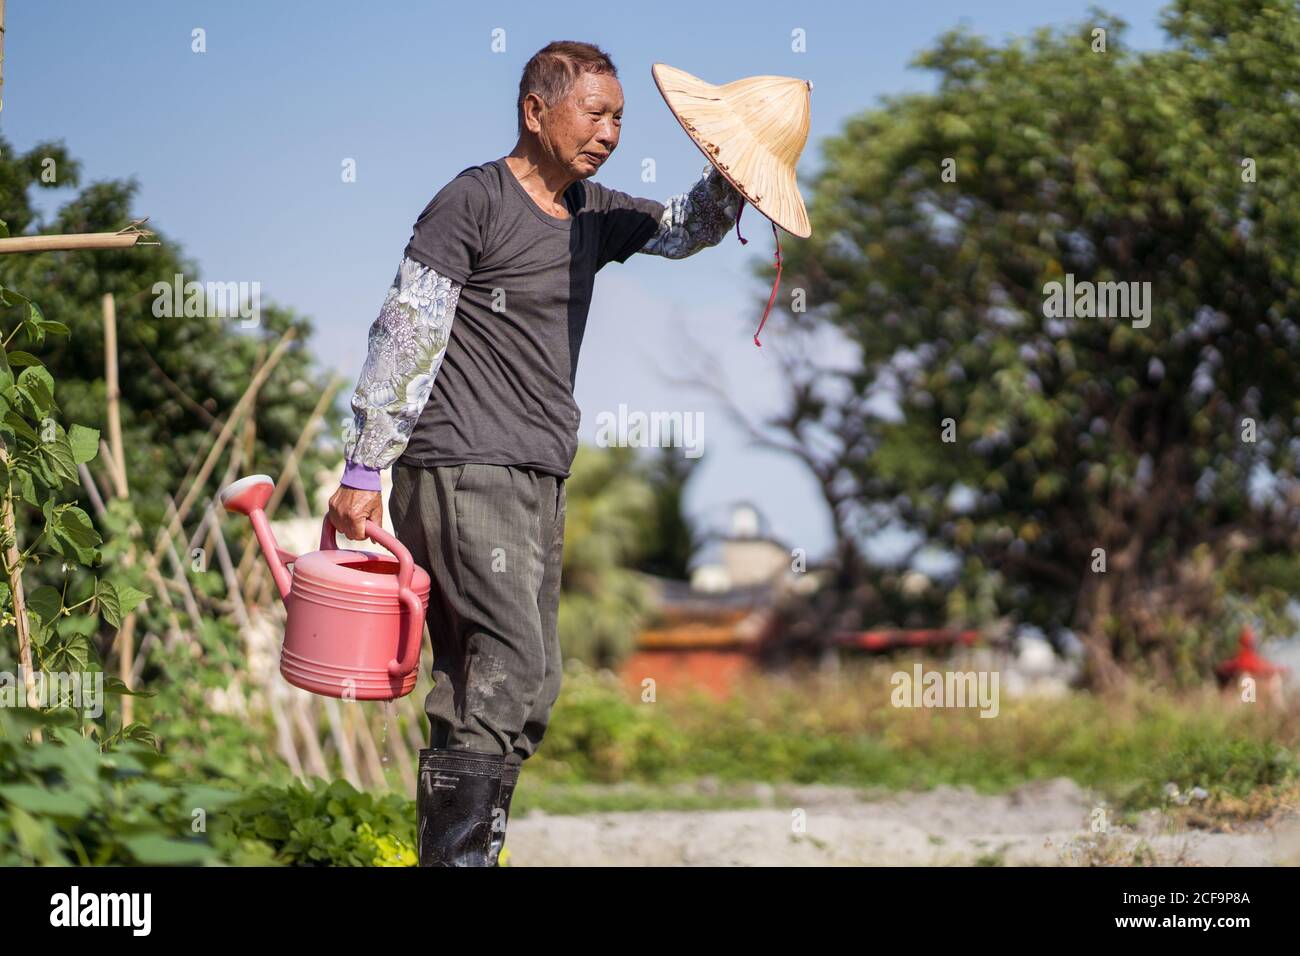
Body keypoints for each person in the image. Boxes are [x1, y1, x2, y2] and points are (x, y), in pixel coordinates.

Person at [328, 39, 741, 867]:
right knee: (507, 665)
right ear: (535, 111)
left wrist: (737, 171)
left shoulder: (593, 213)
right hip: (461, 463)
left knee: (528, 682)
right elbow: (407, 327)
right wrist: (366, 465)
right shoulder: (470, 202)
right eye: (596, 113)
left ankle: (468, 852)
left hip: (539, 471)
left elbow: (686, 229)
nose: (611, 131)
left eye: (620, 117)